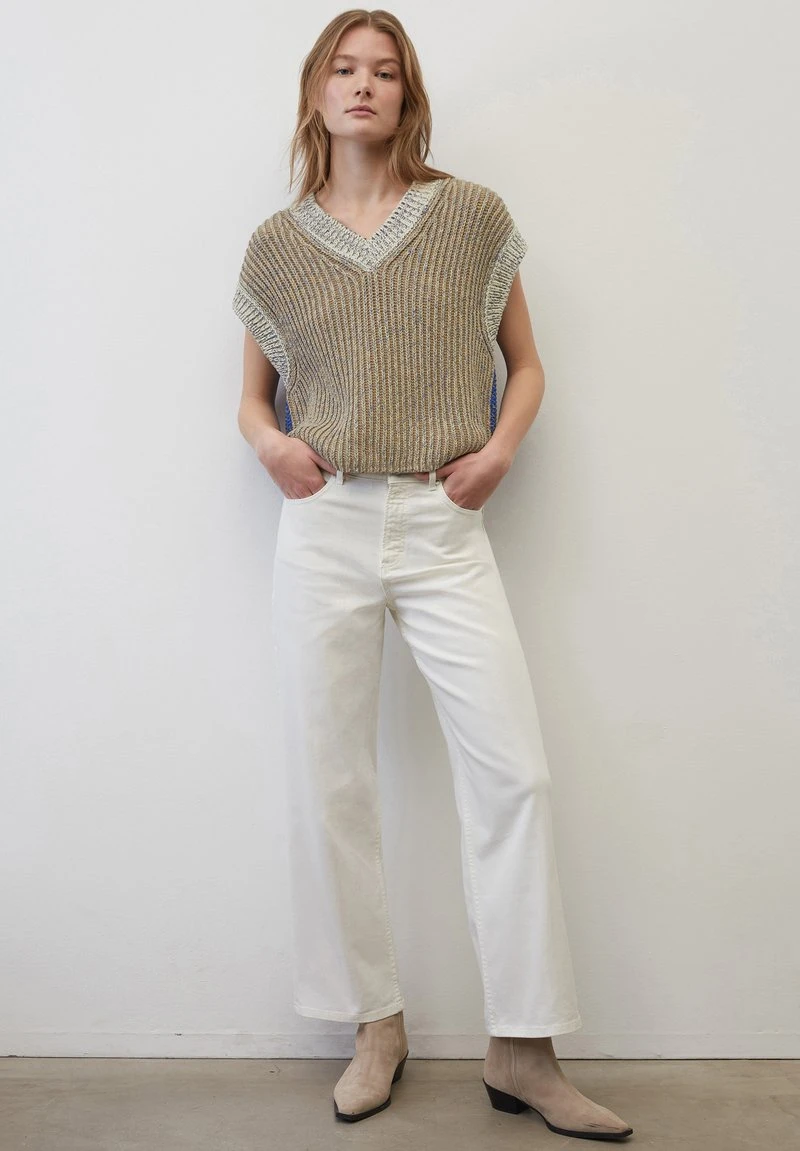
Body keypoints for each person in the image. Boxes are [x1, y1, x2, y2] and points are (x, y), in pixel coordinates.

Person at [232, 9, 633, 1142]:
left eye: (385, 72)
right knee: (329, 779)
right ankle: (376, 1025)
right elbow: (251, 399)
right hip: (324, 522)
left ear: (408, 96)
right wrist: (271, 446)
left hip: (444, 521)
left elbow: (526, 365)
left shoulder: (469, 216)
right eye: (344, 69)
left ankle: (524, 1048)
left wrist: (497, 452)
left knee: (515, 776)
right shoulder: (275, 244)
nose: (363, 86)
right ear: (315, 91)